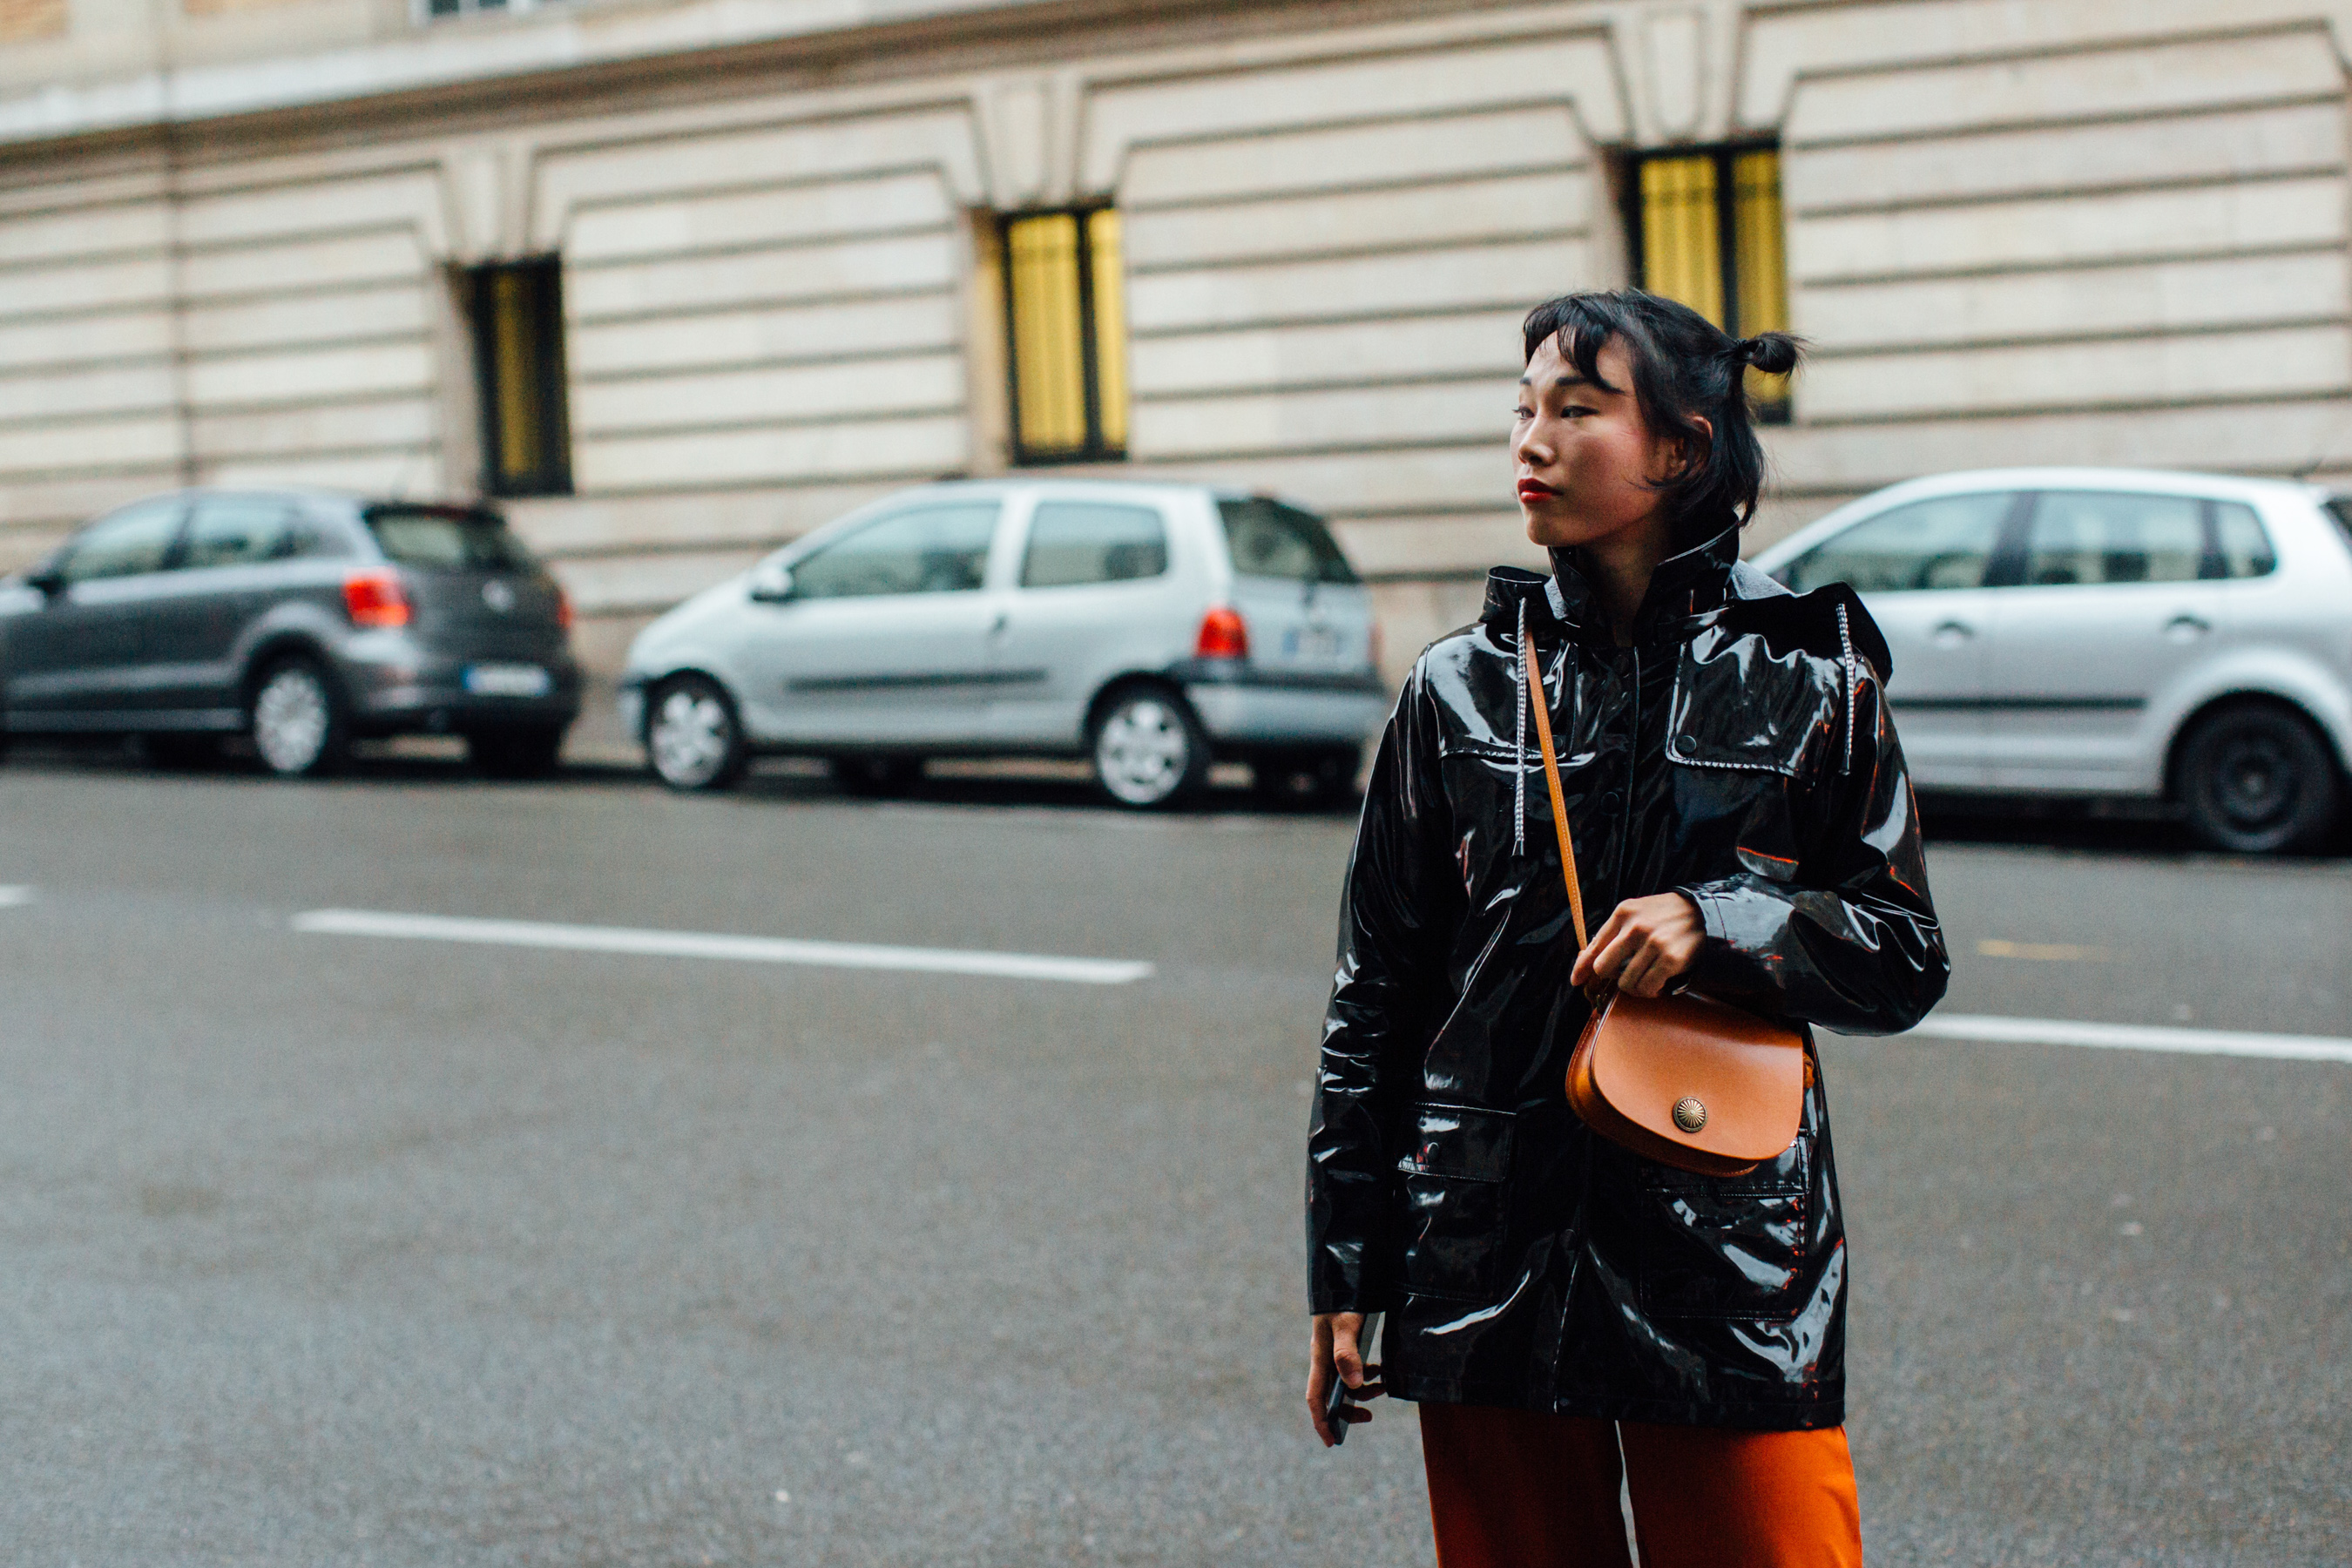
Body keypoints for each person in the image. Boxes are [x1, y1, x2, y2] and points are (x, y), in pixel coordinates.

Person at [1304, 288, 1950, 1566]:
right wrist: (1345, 1268)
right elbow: (1375, 992)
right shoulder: (1455, 688)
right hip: (1485, 1239)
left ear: (1682, 450)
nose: (1530, 441)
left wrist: (1723, 921)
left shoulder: (1810, 674)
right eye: (1524, 408)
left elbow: (1902, 951)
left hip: (1727, 1245)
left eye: (1577, 410)